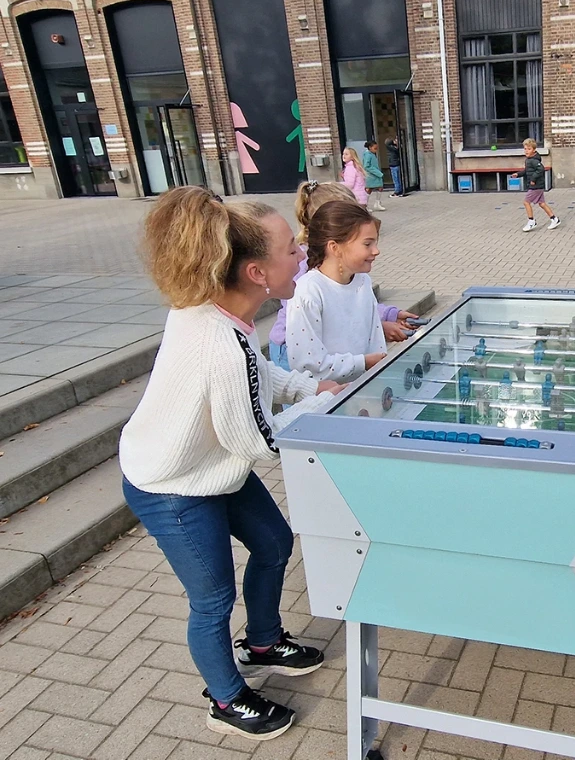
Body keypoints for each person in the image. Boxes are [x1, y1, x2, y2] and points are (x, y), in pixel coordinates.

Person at [119, 187, 345, 741]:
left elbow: (259, 374)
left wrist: (312, 388)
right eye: (291, 249)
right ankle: (225, 698)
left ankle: (263, 643)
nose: (303, 254)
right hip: (171, 484)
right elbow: (261, 442)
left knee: (273, 543)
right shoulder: (217, 343)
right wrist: (322, 408)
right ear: (256, 272)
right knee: (213, 597)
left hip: (213, 463)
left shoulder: (219, 313)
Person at [286, 200, 390, 381]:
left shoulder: (363, 281)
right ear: (335, 248)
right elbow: (307, 366)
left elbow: (375, 341)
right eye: (367, 244)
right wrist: (362, 362)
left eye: (375, 243)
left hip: (364, 388)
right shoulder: (308, 291)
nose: (376, 251)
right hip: (328, 396)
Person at [511, 138, 560, 232]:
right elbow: (527, 171)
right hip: (538, 186)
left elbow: (541, 169)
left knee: (526, 202)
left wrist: (533, 179)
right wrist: (518, 174)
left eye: (529, 149)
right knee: (542, 204)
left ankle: (531, 221)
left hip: (536, 186)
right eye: (525, 149)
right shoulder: (529, 160)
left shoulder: (533, 160)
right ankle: (554, 219)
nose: (526, 151)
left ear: (534, 150)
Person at [362, 141, 386, 212]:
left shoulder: (371, 154)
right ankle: (365, 205)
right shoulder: (368, 155)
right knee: (369, 189)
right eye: (375, 148)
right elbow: (366, 166)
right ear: (370, 148)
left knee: (380, 187)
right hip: (371, 175)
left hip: (374, 174)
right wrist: (378, 173)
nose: (376, 150)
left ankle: (377, 203)